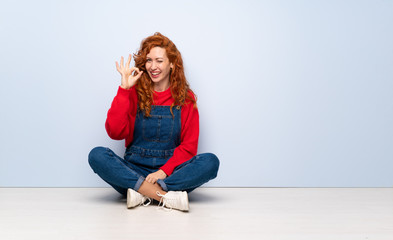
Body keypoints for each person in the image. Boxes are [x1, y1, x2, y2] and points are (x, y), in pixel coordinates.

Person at [88, 32, 220, 212]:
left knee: (211, 162)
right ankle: (165, 197)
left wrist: (162, 172)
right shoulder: (133, 92)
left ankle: (142, 193)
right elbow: (115, 132)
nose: (153, 66)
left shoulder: (185, 99)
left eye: (159, 60)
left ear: (172, 64)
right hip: (133, 171)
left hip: (170, 174)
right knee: (97, 155)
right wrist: (124, 90)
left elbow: (189, 147)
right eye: (149, 60)